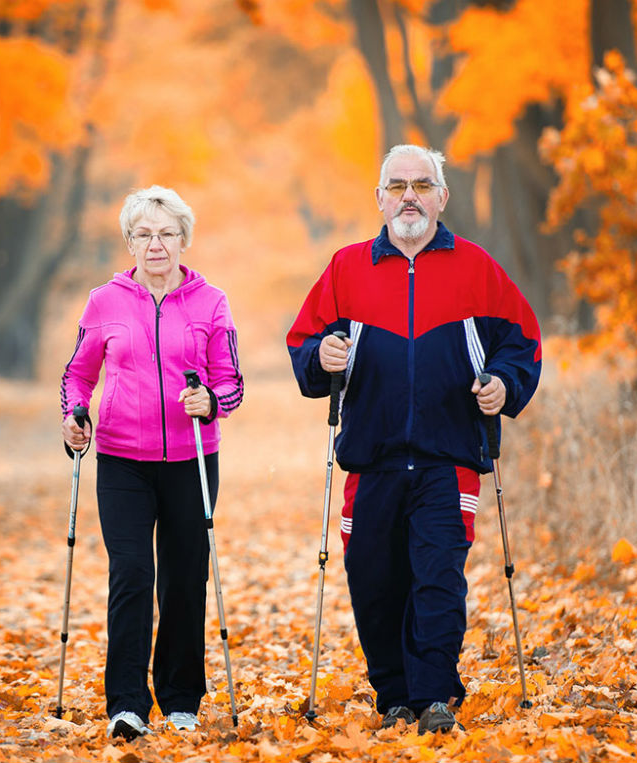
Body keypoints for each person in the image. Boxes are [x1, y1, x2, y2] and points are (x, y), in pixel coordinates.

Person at [286, 144, 541, 735]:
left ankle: (434, 698)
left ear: (441, 198)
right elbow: (303, 343)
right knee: (373, 578)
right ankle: (394, 695)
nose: (409, 196)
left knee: (437, 576)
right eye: (397, 185)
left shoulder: (476, 267)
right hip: (369, 460)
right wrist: (321, 357)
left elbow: (520, 340)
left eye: (422, 185)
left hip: (448, 457)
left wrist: (504, 384)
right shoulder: (347, 268)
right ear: (379, 199)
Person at [60, 185, 244, 740]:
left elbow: (231, 383)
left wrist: (210, 401)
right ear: (129, 241)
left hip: (192, 458)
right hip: (122, 460)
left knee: (185, 579)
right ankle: (127, 704)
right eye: (143, 234)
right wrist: (75, 413)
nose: (156, 244)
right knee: (133, 575)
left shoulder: (211, 302)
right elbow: (78, 374)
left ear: (183, 240)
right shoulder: (104, 302)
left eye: (166, 234)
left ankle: (182, 697)